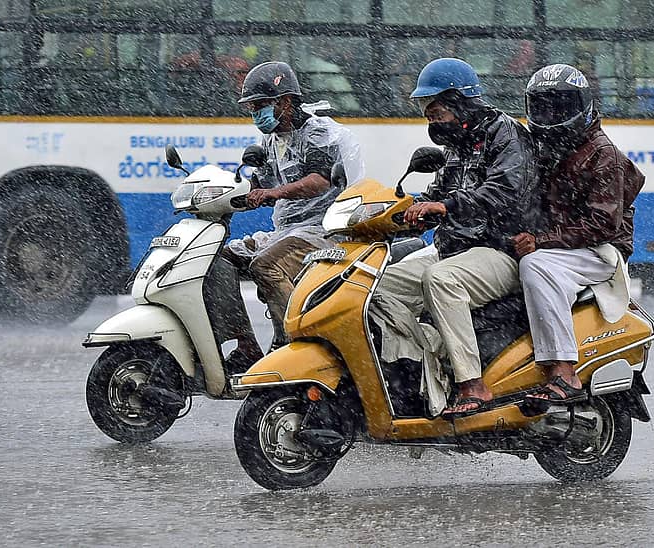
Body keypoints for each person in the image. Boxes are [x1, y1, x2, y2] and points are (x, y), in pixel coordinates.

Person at [375, 58, 541, 418]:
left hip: (500, 250)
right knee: (373, 287)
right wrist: (401, 213)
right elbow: (438, 191)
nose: (432, 123)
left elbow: (504, 192)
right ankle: (420, 365)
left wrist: (445, 207)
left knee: (441, 280)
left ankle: (472, 384)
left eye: (436, 113)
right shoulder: (458, 144)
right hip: (454, 248)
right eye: (428, 115)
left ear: (460, 102)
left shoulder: (506, 134)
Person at [509, 64, 645, 414]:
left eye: (559, 106)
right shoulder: (546, 148)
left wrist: (542, 241)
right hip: (563, 244)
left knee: (536, 266)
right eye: (542, 107)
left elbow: (602, 224)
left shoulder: (604, 155)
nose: (550, 116)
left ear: (580, 106)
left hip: (599, 250)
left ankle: (563, 371)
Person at [222, 61, 364, 367]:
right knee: (222, 260)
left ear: (285, 101)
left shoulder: (317, 133)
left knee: (265, 265)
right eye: (251, 108)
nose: (255, 114)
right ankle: (246, 344)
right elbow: (258, 186)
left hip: (324, 231)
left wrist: (273, 193)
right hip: (286, 232)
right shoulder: (271, 141)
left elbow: (319, 181)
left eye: (260, 106)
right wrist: (227, 198)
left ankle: (297, 346)